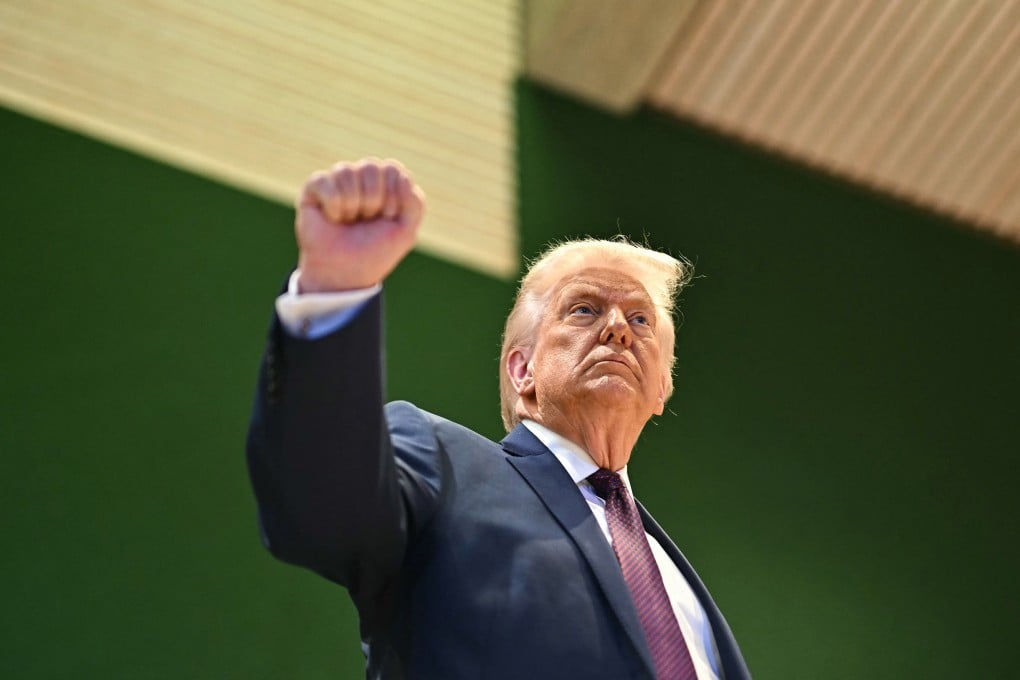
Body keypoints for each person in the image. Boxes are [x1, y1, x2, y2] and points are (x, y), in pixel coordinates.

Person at [247, 158, 751, 680]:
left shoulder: (678, 580)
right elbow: (320, 512)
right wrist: (335, 289)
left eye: (641, 319)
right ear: (522, 368)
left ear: (663, 387)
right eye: (584, 310)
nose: (619, 329)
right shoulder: (444, 466)